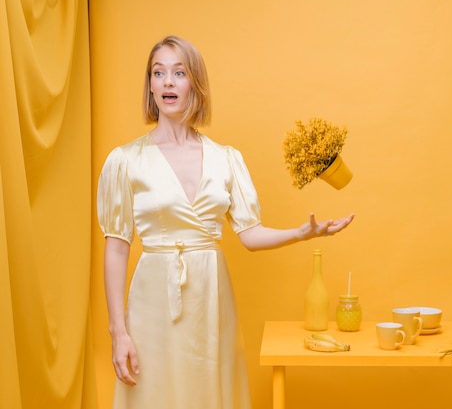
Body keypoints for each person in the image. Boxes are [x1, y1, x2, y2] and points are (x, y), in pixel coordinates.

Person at [97, 35, 355, 409]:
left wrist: (302, 233)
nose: (168, 82)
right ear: (150, 85)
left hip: (210, 298)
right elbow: (117, 247)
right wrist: (118, 331)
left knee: (209, 393)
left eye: (179, 72)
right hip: (152, 300)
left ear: (195, 84)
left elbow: (250, 234)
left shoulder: (225, 158)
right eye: (158, 73)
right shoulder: (125, 160)